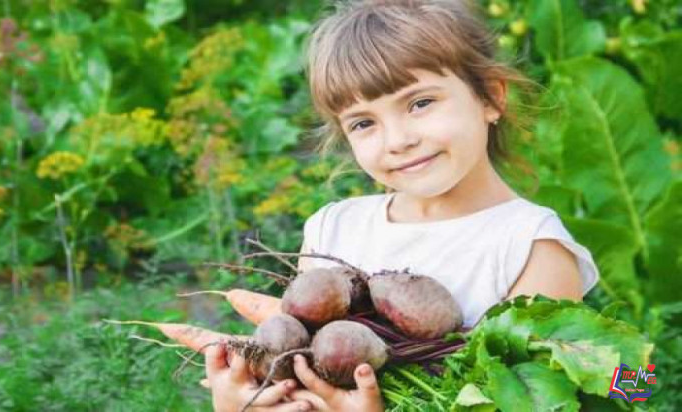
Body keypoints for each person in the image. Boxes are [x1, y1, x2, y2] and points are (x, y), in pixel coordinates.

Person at [204, 0, 600, 410]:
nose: (397, 140)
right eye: (363, 123)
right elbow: (303, 369)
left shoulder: (531, 246)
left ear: (491, 98)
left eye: (420, 103)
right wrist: (247, 399)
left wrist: (639, 387)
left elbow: (555, 394)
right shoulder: (333, 228)